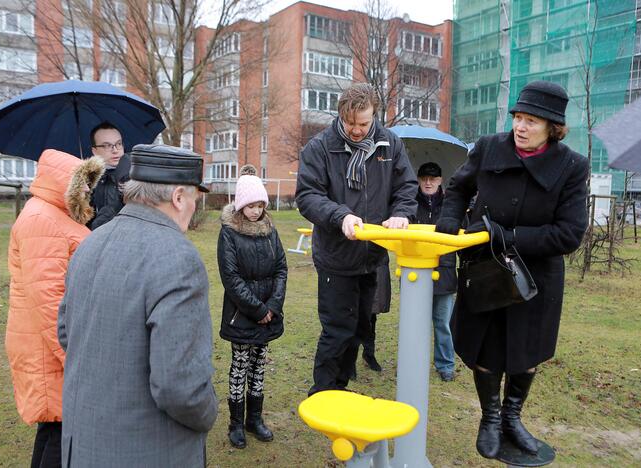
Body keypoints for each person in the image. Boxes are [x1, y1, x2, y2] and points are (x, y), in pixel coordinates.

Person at [436, 81, 588, 458]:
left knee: (527, 352)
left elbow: (569, 234)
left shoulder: (572, 166)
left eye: (531, 121)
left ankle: (511, 419)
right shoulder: (489, 148)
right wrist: (449, 225)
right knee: (486, 349)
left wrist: (507, 236)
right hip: (485, 270)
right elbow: (456, 188)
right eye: (518, 118)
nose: (520, 127)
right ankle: (489, 418)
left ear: (553, 128)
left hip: (536, 279)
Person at [57, 144, 218, 466]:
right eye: (195, 200)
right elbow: (180, 387)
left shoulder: (90, 243)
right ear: (178, 198)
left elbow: (66, 333)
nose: (193, 209)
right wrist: (209, 411)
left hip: (84, 444)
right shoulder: (178, 258)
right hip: (147, 450)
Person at [296, 82, 418, 395]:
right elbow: (308, 196)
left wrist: (402, 213)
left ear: (374, 115)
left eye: (363, 124)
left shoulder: (390, 144)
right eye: (350, 123)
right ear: (340, 116)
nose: (356, 130)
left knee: (360, 328)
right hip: (336, 257)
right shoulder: (320, 148)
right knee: (337, 330)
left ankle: (340, 387)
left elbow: (406, 186)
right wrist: (341, 216)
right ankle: (323, 391)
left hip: (372, 256)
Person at [5, 150, 104, 468]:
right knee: (60, 428)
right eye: (84, 184)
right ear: (65, 182)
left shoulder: (56, 215)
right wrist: (75, 358)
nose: (90, 190)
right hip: (49, 349)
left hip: (54, 345)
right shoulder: (40, 221)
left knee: (56, 426)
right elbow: (48, 302)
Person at [218, 164, 287, 449]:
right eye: (251, 205)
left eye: (260, 205)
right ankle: (235, 424)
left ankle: (254, 419)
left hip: (268, 313)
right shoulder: (229, 234)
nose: (256, 211)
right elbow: (231, 278)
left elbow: (281, 268)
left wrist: (272, 305)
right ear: (241, 205)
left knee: (259, 367)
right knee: (240, 366)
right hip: (242, 315)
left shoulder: (270, 231)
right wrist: (258, 310)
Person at [414, 162, 457, 382]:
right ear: (419, 180)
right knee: (416, 323)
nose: (428, 182)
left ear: (440, 180)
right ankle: (414, 361)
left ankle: (445, 364)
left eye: (433, 178)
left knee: (443, 323)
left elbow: (461, 233)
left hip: (445, 272)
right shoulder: (410, 204)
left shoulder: (452, 204)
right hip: (416, 273)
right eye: (424, 178)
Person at [88, 121, 130, 229]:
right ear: (94, 150)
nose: (115, 150)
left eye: (119, 144)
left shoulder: (137, 176)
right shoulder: (88, 181)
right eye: (107, 146)